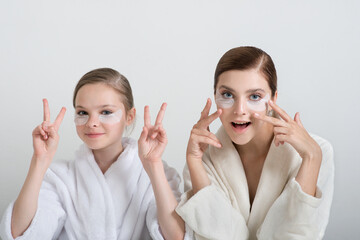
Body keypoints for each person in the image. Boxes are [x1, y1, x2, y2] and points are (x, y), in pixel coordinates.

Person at [0, 68, 188, 240]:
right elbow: (19, 235)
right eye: (83, 112)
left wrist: (153, 166)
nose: (91, 122)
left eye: (105, 112)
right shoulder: (58, 177)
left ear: (129, 117)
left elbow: (176, 237)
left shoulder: (160, 174)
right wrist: (39, 162)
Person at [175, 46, 334, 239]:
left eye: (255, 96)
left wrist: (312, 158)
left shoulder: (317, 152)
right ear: (215, 95)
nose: (240, 110)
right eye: (227, 95)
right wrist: (194, 161)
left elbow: (296, 235)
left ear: (274, 99)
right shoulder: (201, 156)